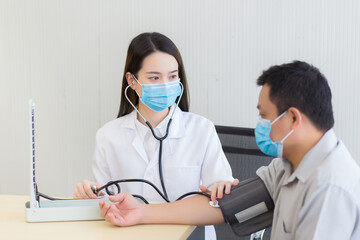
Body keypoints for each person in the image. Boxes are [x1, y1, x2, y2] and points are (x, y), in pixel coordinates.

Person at [98, 61, 360, 240]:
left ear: (293, 118)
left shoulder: (330, 189)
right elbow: (224, 206)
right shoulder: (288, 166)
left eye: (264, 116)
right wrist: (140, 212)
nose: (260, 125)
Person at [73, 32, 236, 239]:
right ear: (132, 80)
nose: (165, 84)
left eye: (172, 76)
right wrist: (89, 195)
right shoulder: (108, 136)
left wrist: (222, 188)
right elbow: (106, 205)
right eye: (154, 77)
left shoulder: (201, 130)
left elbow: (221, 202)